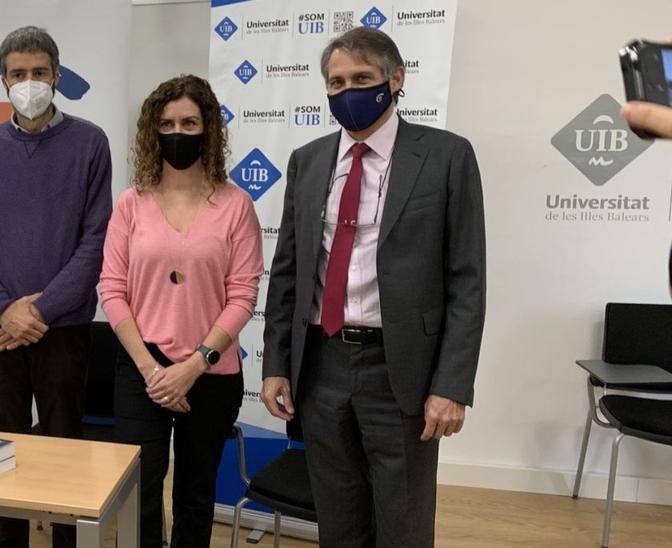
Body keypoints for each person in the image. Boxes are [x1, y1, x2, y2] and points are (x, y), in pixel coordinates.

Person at [261, 27, 485, 547]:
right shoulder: (309, 159)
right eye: (335, 83)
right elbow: (288, 271)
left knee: (403, 524)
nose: (348, 92)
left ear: (396, 79)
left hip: (401, 371)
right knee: (338, 523)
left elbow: (468, 280)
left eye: (361, 78)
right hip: (322, 367)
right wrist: (276, 363)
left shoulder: (447, 156)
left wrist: (451, 385)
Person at [0, 26, 112, 548]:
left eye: (38, 73)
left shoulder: (90, 142)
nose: (29, 83)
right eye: (18, 74)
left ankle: (68, 540)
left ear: (57, 76)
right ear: (4, 82)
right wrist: (5, 310)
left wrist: (37, 311)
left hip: (63, 326)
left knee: (64, 443)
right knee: (2, 444)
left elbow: (95, 242)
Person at [99, 74, 264, 548]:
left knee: (195, 494)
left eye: (189, 122)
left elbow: (242, 297)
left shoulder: (236, 206)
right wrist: (153, 370)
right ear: (152, 131)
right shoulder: (131, 204)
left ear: (208, 129)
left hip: (210, 372)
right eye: (167, 123)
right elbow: (112, 290)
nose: (177, 132)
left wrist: (193, 367)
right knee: (140, 492)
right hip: (141, 369)